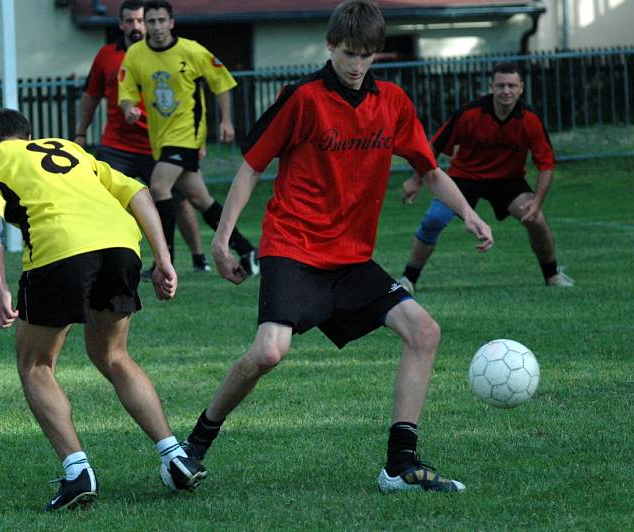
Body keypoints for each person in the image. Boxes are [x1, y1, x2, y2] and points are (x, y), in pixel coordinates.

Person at [181, 0, 494, 494]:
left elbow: (430, 169)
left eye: (367, 55)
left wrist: (469, 213)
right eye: (349, 53)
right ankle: (196, 442)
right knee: (268, 353)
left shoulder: (391, 102)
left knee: (423, 331)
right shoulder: (302, 97)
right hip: (294, 247)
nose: (356, 65)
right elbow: (252, 167)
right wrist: (223, 239)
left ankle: (400, 465)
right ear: (330, 46)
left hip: (350, 259)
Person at [0, 109, 206, 512]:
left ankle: (77, 472)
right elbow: (138, 193)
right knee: (114, 355)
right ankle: (175, 455)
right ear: (29, 135)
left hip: (60, 250)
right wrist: (164, 259)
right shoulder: (71, 149)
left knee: (35, 364)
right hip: (121, 245)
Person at [397, 62, 574, 293]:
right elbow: (434, 146)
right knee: (434, 220)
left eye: (512, 85)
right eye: (500, 85)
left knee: (536, 219)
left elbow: (546, 164)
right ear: (491, 87)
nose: (506, 91)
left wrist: (537, 202)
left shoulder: (530, 119)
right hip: (465, 176)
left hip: (508, 181)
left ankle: (552, 275)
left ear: (521, 88)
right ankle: (408, 279)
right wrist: (416, 180)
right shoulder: (470, 113)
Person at [118, 0, 259, 278]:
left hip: (187, 136)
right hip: (160, 139)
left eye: (161, 21)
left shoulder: (191, 51)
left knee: (158, 187)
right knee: (200, 198)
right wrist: (129, 109)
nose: (156, 27)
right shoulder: (135, 54)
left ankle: (164, 260)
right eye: (151, 21)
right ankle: (246, 247)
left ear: (172, 23)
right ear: (144, 24)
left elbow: (222, 83)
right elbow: (126, 92)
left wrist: (227, 120)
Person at [74, 0, 210, 274]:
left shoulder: (165, 54)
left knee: (179, 200)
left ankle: (198, 259)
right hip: (116, 146)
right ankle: (99, 258)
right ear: (120, 24)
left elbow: (193, 99)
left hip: (157, 144)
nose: (136, 26)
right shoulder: (107, 56)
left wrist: (199, 142)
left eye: (140, 20)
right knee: (99, 198)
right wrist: (80, 132)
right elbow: (91, 96)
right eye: (130, 21)